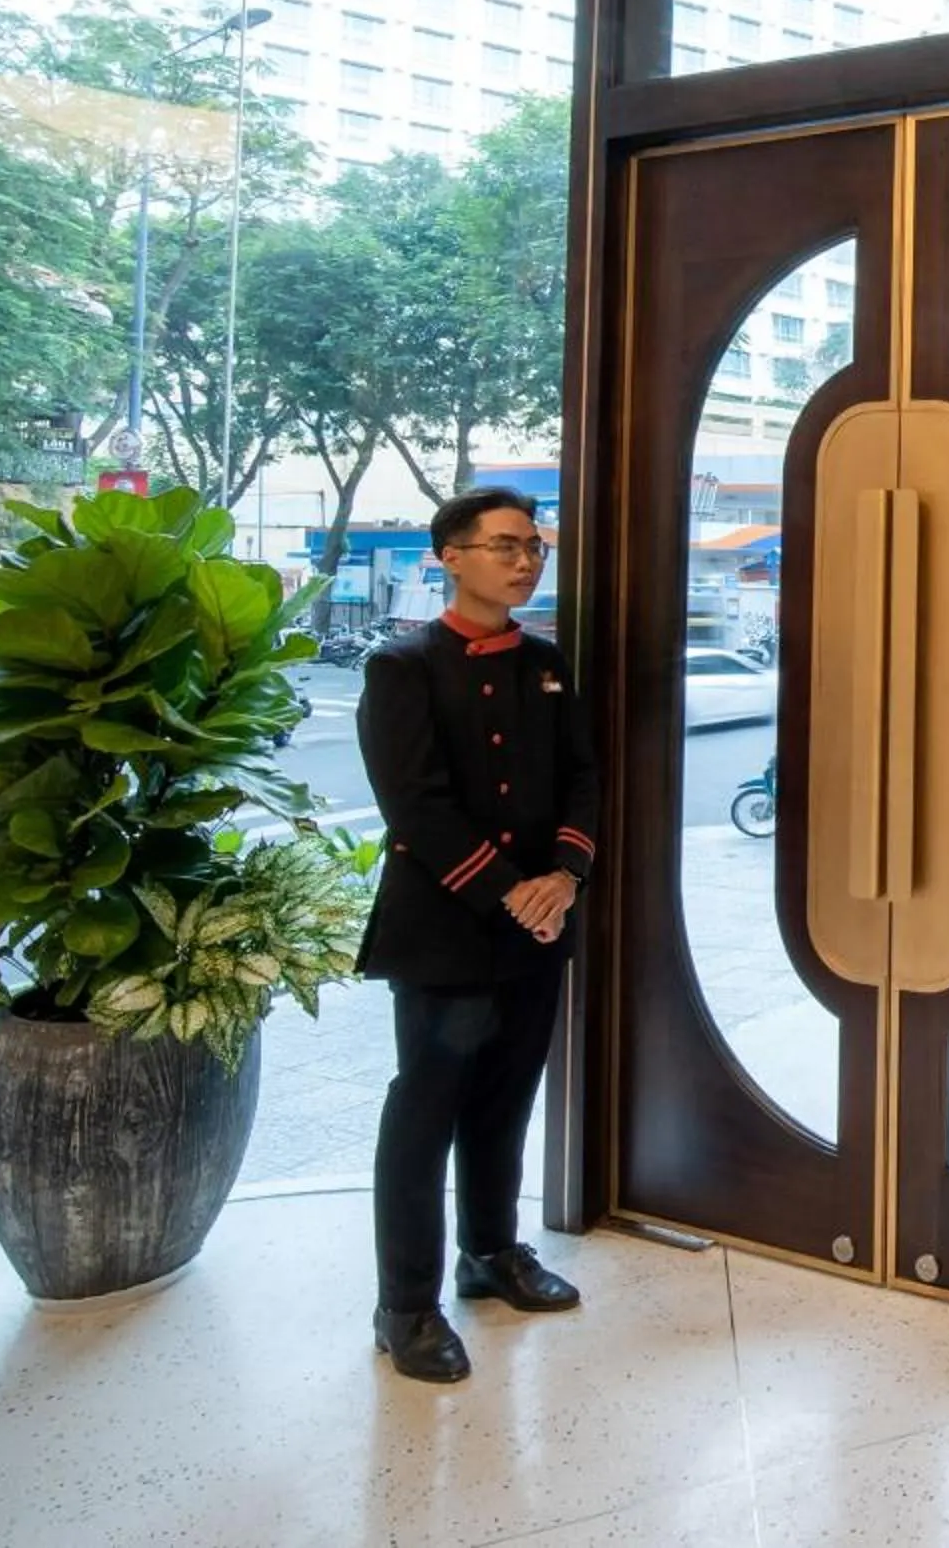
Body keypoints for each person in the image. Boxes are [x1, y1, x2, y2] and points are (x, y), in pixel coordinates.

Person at [355, 487, 597, 1384]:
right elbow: (414, 806)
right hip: (444, 926)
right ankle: (406, 1304)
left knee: (506, 1096)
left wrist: (562, 878)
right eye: (504, 546)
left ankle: (491, 1253)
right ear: (450, 556)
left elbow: (583, 778)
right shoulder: (404, 666)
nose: (526, 561)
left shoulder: (548, 661)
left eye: (533, 546)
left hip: (537, 922)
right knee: (426, 1111)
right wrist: (512, 893)